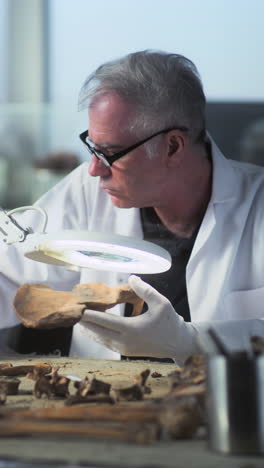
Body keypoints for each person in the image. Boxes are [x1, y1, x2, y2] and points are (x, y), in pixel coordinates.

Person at [1, 50, 264, 359]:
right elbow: (8, 273)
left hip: (226, 403)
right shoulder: (86, 191)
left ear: (173, 146)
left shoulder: (256, 206)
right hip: (102, 402)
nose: (95, 170)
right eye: (92, 147)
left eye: (110, 153)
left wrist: (190, 341)